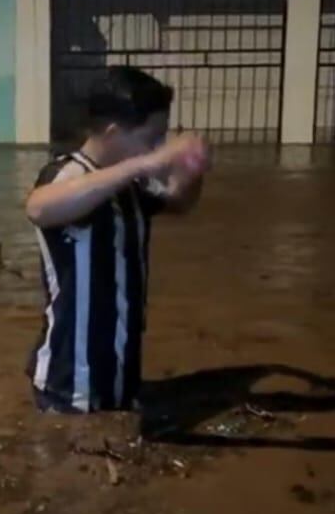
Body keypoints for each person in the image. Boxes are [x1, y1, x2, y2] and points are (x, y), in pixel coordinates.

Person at [25, 66, 209, 414]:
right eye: (151, 138)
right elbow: (38, 207)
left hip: (119, 370)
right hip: (70, 382)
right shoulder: (69, 173)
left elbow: (179, 203)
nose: (156, 148)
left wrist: (193, 169)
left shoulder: (130, 184)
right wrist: (144, 164)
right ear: (112, 132)